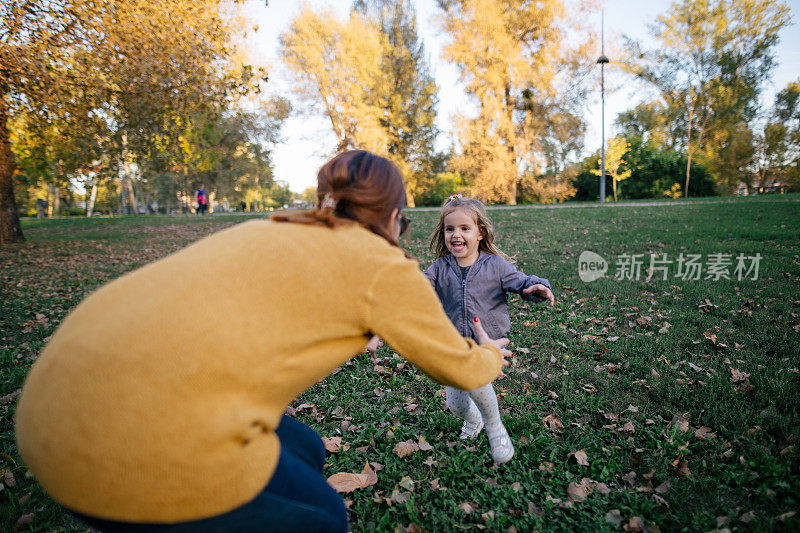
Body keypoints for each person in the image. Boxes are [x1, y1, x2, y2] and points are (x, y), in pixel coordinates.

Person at [15, 151, 512, 533]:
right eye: (401, 222)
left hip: (44, 414)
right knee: (323, 518)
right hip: (117, 457)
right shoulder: (381, 265)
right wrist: (491, 352)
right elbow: (461, 370)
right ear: (392, 216)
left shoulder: (273, 227)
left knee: (305, 449)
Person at [424, 194, 555, 464]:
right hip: (453, 346)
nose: (456, 235)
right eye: (450, 229)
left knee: (475, 380)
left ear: (480, 232)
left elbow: (521, 282)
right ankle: (474, 421)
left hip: (486, 344)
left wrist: (536, 288)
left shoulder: (495, 266)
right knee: (456, 404)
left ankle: (495, 427)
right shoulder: (439, 268)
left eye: (464, 228)